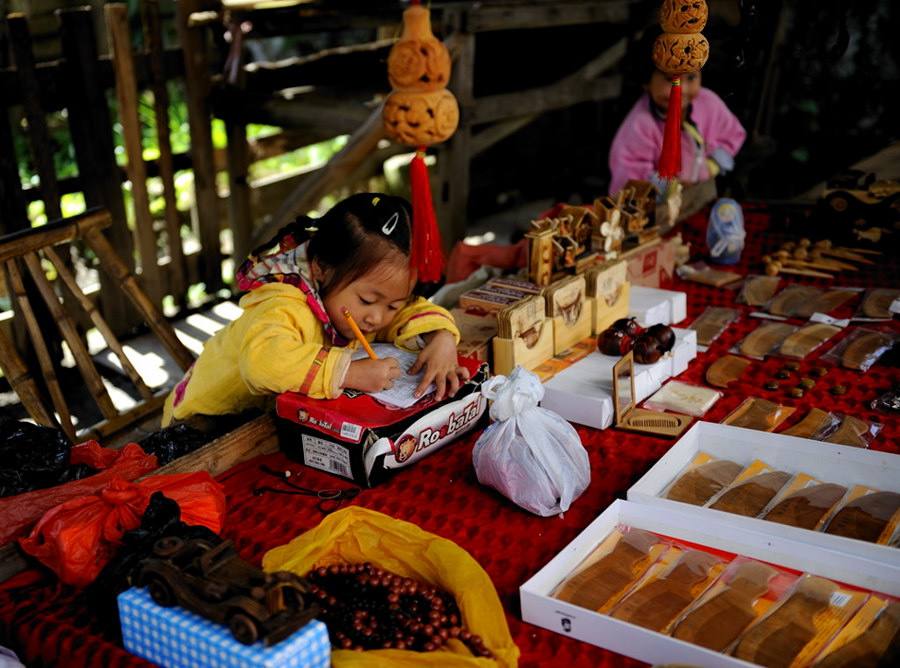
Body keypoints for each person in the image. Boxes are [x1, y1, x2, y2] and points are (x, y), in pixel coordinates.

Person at [162, 192, 467, 427]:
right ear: (321, 267)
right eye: (367, 301)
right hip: (202, 423)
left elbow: (407, 313)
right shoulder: (282, 301)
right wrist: (348, 371)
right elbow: (263, 363)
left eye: (392, 304)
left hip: (266, 417)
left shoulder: (350, 299)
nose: (377, 318)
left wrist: (440, 338)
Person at [608, 28, 746, 196]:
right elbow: (628, 174)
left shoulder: (709, 103)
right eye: (670, 79)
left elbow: (732, 133)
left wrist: (713, 165)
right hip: (657, 209)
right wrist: (670, 188)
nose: (682, 90)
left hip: (701, 196)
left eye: (692, 77)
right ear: (646, 81)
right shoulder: (640, 126)